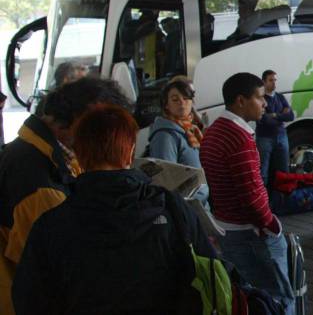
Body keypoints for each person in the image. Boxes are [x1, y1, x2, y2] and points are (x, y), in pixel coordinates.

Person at [12, 104, 216, 315]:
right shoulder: (171, 209)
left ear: (79, 156)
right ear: (129, 154)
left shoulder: (50, 225)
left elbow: (29, 300)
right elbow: (212, 276)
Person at [0, 77, 131, 314]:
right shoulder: (39, 182)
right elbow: (55, 266)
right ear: (74, 121)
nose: (104, 137)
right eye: (99, 127)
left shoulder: (46, 155)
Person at [199, 72, 294, 314]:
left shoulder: (213, 131)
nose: (264, 103)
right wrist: (272, 226)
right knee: (278, 298)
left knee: (249, 299)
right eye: (260, 98)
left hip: (227, 228)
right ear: (241, 101)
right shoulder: (238, 137)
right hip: (250, 233)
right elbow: (252, 194)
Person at [147, 78, 209, 207]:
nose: (182, 103)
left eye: (186, 98)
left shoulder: (191, 129)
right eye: (175, 99)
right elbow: (166, 181)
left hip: (199, 206)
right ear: (166, 105)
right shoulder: (165, 136)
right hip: (187, 210)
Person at [256, 70, 294, 189]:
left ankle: (281, 203)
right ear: (264, 82)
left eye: (275, 80)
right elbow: (265, 120)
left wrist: (274, 115)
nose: (274, 83)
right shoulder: (260, 99)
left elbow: (291, 116)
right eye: (271, 80)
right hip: (264, 138)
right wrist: (281, 115)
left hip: (281, 137)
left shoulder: (280, 97)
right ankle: (264, 203)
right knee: (263, 173)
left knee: (284, 171)